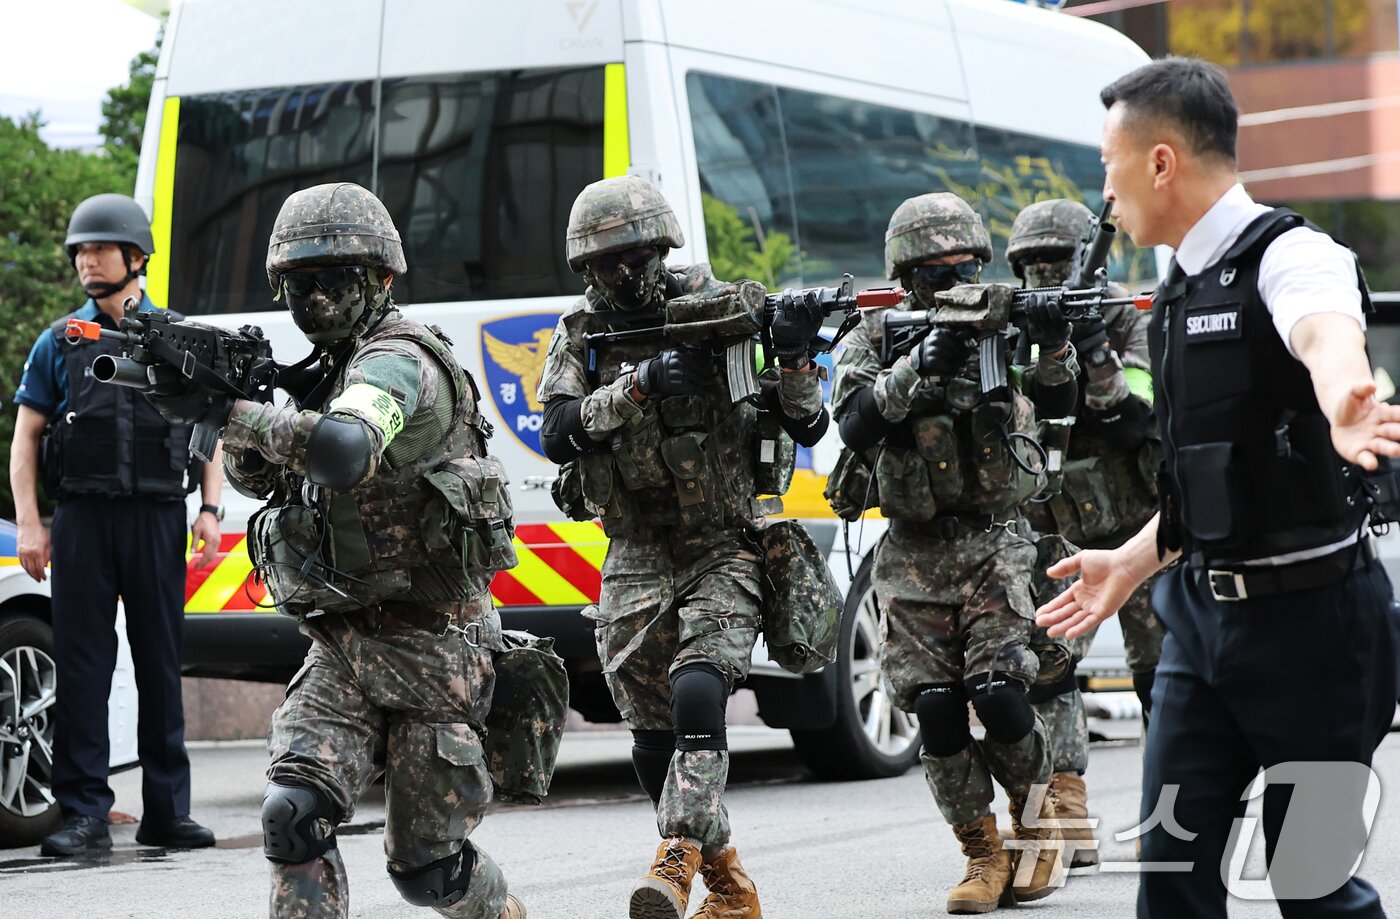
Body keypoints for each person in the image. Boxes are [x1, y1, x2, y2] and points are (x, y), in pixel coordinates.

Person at [1037, 58, 1400, 918]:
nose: (1105, 189)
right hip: (1201, 628)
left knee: (1311, 883)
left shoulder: (1293, 255)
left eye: (1109, 163)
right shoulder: (1178, 286)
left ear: (1160, 161)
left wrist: (1343, 399)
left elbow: (1324, 331)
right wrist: (1130, 563)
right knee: (1170, 879)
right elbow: (1214, 473)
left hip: (1317, 633)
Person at [192, 183, 524, 919]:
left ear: (381, 278)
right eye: (298, 284)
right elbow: (267, 480)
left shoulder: (398, 361)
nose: (315, 299)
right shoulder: (328, 370)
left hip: (434, 648)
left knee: (428, 869)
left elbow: (344, 449)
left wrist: (236, 413)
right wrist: (221, 410)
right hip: (343, 643)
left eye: (335, 279)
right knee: (293, 814)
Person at [536, 175, 829, 919]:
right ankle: (729, 884)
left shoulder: (719, 308)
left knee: (699, 690)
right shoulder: (581, 335)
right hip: (635, 550)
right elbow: (558, 431)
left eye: (639, 257)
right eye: (609, 262)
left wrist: (794, 357)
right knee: (649, 735)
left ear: (663, 251)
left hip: (724, 542)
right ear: (587, 268)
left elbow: (806, 425)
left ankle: (674, 861)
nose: (627, 273)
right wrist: (640, 385)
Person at [830, 192, 1074, 914]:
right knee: (934, 709)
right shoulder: (876, 335)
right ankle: (981, 852)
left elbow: (1057, 408)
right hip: (912, 550)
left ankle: (1037, 822)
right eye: (936, 272)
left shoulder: (1002, 319)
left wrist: (1053, 346)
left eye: (965, 268)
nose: (954, 282)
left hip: (994, 540)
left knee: (1000, 689)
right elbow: (851, 422)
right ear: (907, 275)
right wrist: (916, 367)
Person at [10, 193, 221, 857]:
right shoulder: (58, 341)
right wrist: (30, 524)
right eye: (79, 250)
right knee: (82, 668)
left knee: (160, 661)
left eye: (99, 248)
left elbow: (208, 426)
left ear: (135, 257)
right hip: (82, 519)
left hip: (157, 516)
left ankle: (168, 812)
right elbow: (25, 437)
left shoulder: (178, 335)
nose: (85, 260)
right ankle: (82, 814)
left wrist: (210, 509)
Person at [1008, 198, 1165, 867]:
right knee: (1047, 670)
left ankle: (1175, 809)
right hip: (1057, 529)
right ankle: (1065, 814)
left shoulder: (1128, 317)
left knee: (1162, 676)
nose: (1044, 272)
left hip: (1138, 532)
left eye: (1056, 259)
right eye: (1032, 262)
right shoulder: (1012, 323)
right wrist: (1041, 349)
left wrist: (1093, 346)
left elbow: (1134, 417)